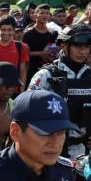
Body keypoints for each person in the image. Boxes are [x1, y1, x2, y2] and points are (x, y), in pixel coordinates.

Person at [28, 24, 91, 158]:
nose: (83, 51)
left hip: (83, 154)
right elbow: (27, 111)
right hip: (50, 151)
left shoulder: (89, 75)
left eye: (86, 46)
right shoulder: (46, 74)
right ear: (64, 46)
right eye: (78, 46)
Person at [0, 15, 29, 89]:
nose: (6, 33)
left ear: (14, 30)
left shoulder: (21, 47)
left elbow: (22, 71)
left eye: (9, 30)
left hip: (14, 89)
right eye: (3, 30)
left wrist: (21, 91)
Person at [22, 4, 58, 85]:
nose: (44, 15)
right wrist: (40, 54)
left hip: (48, 70)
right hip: (31, 70)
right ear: (35, 15)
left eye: (47, 13)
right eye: (41, 13)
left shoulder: (53, 33)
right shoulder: (28, 33)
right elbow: (23, 54)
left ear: (50, 16)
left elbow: (56, 50)